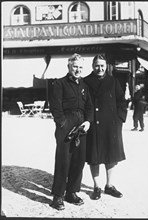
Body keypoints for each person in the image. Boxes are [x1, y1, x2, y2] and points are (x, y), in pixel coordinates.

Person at [49, 53, 93, 210]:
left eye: (80, 67)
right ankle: (58, 196)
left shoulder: (84, 86)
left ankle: (71, 192)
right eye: (75, 67)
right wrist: (62, 123)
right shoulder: (59, 84)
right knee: (63, 161)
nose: (78, 70)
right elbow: (55, 105)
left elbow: (89, 106)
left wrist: (88, 121)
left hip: (82, 125)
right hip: (66, 124)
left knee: (79, 161)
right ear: (69, 67)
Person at [84, 54, 128, 200]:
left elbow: (122, 101)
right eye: (97, 65)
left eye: (102, 65)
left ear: (106, 66)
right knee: (94, 157)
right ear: (92, 66)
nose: (100, 68)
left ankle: (109, 186)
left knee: (111, 156)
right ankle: (96, 186)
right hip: (93, 125)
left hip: (111, 126)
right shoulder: (86, 81)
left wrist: (120, 119)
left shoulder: (113, 81)